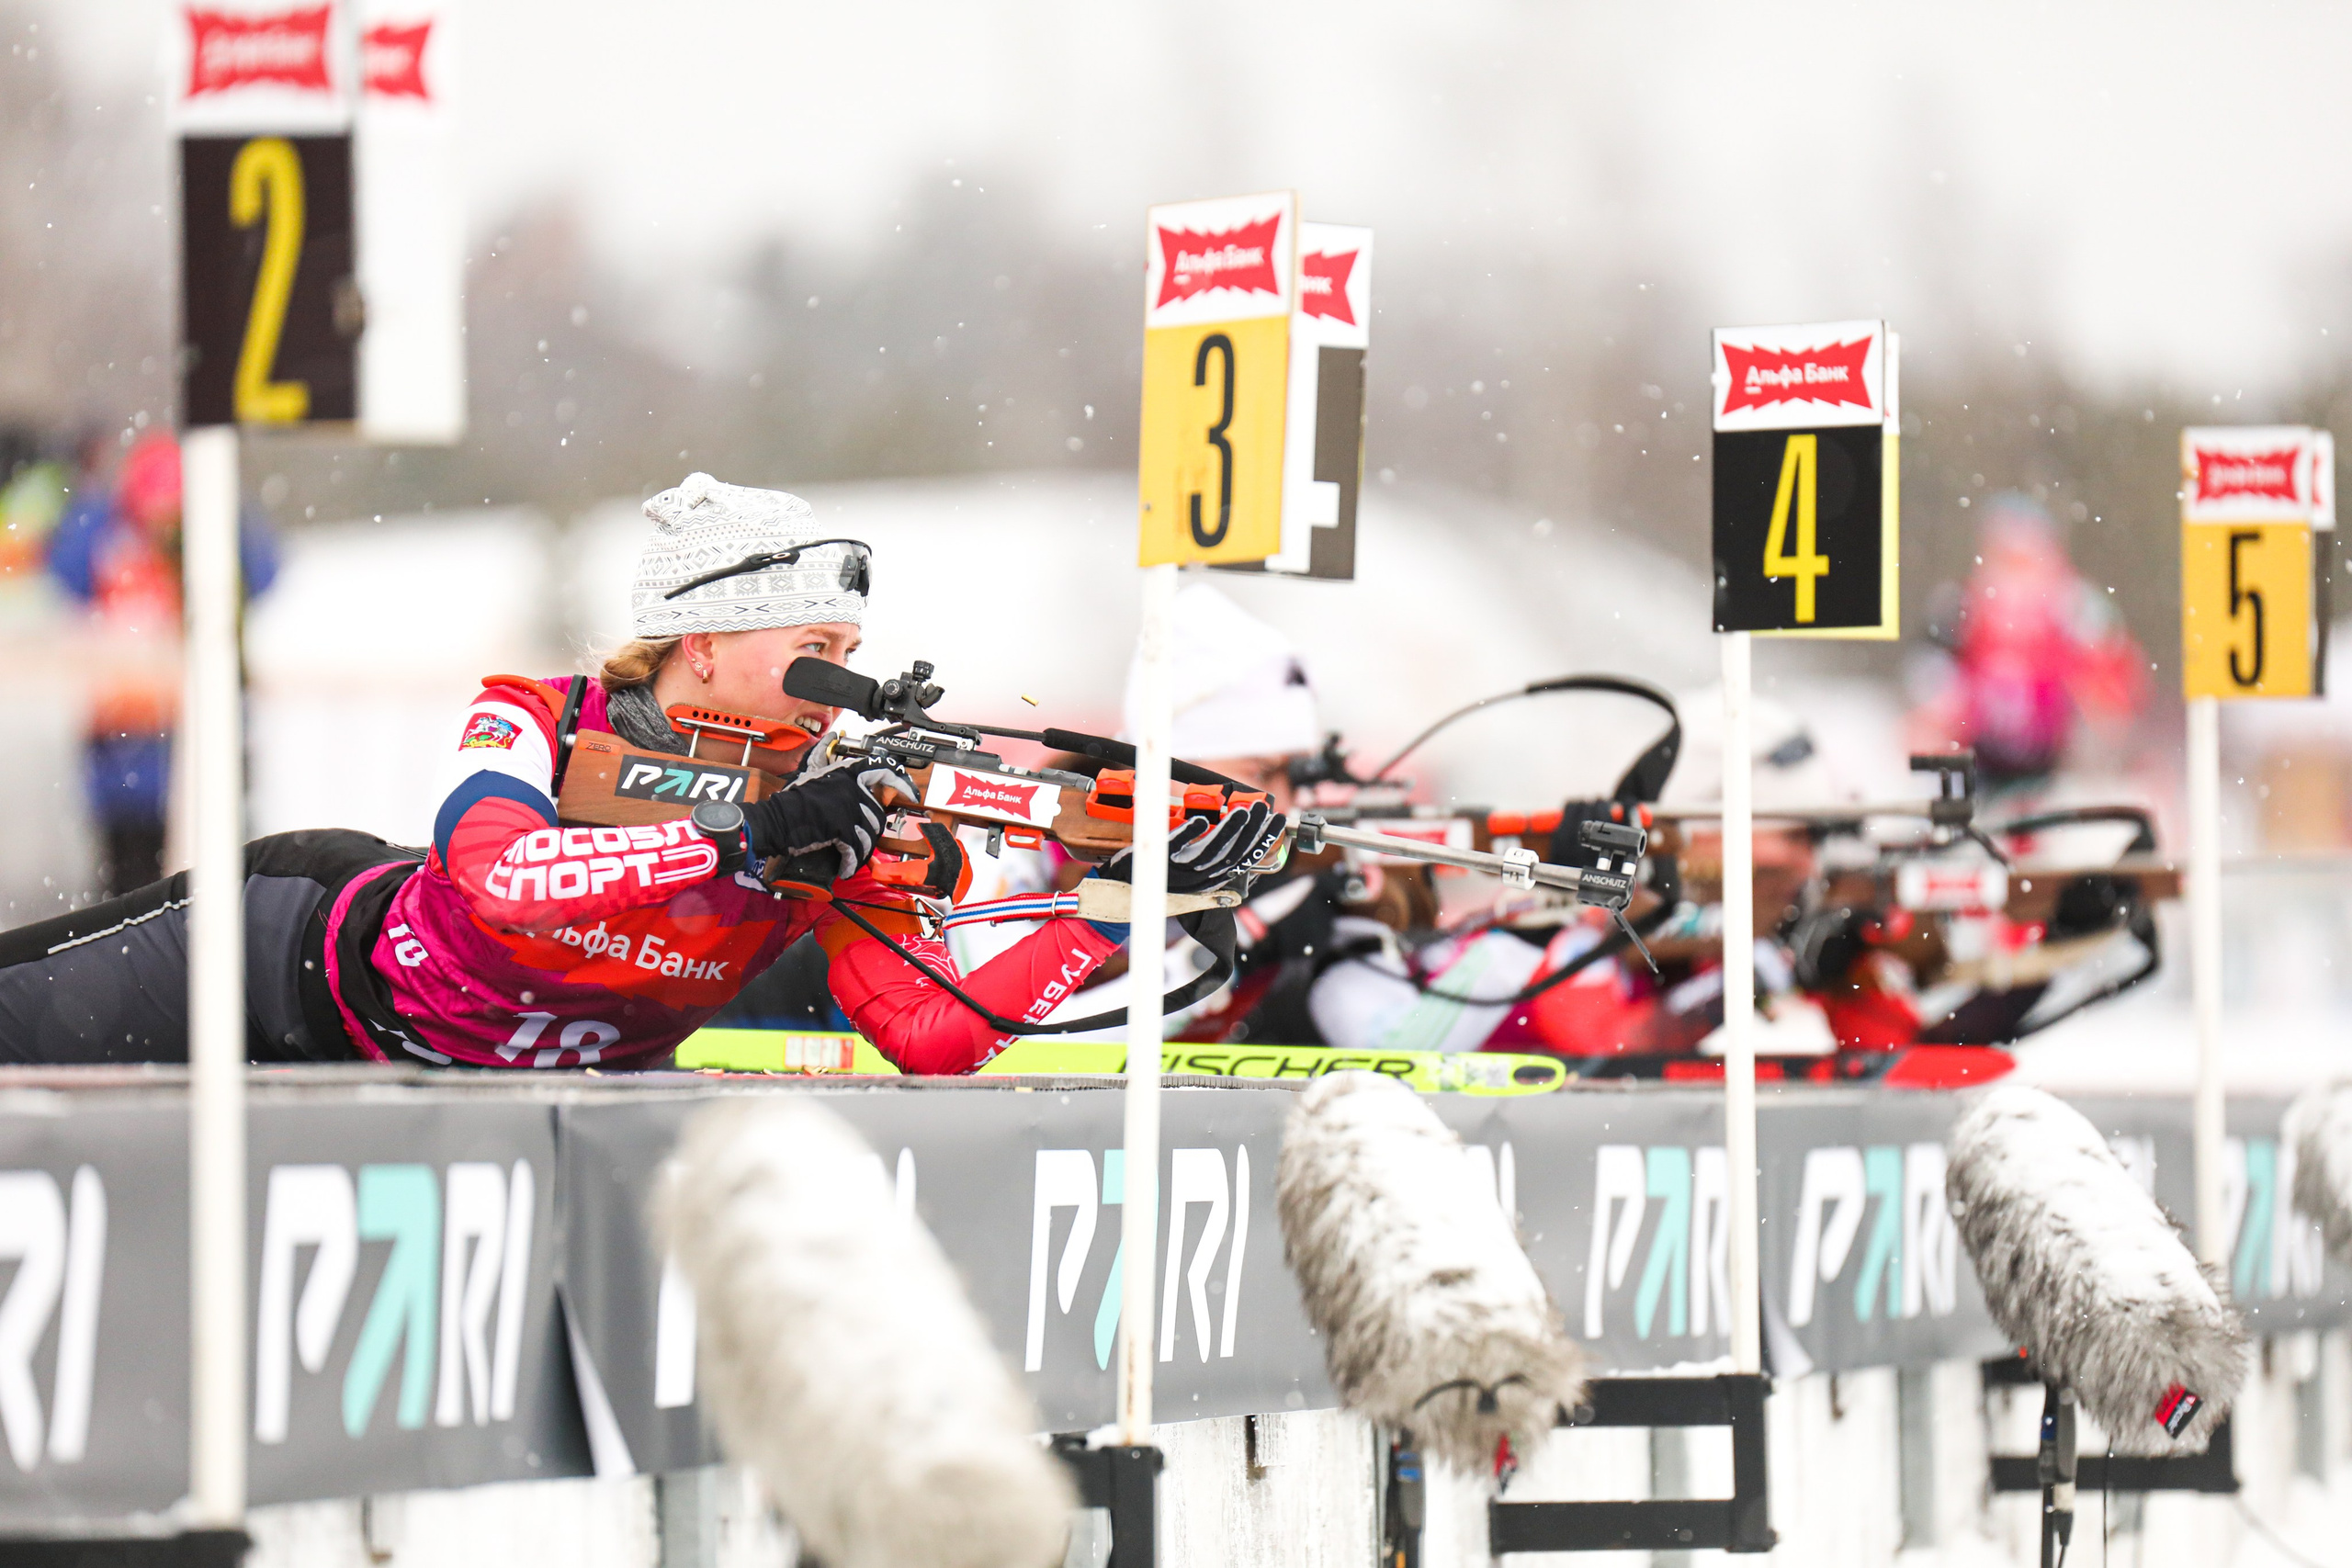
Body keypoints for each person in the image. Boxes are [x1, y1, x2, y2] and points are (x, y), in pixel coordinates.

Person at [0, 474, 1279, 1069]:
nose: (840, 670)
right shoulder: (541, 714)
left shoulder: (832, 810)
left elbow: (937, 1031)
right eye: (814, 644)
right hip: (282, 958)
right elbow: (501, 880)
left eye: (851, 649)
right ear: (706, 642)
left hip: (450, 1074)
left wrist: (1107, 911)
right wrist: (747, 843)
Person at [43, 433, 279, 893]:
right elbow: (63, 569)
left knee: (220, 875)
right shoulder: (107, 539)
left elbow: (263, 573)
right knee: (133, 888)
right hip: (125, 745)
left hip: (204, 735)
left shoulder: (215, 544)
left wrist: (224, 509)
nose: (159, 525)